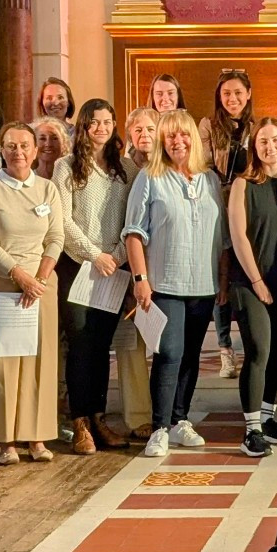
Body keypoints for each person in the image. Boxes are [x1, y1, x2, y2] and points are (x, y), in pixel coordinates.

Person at [124, 109, 226, 457]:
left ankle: (181, 420)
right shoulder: (150, 177)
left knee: (192, 355)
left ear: (193, 139)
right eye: (171, 136)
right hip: (164, 282)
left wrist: (223, 281)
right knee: (169, 353)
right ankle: (159, 427)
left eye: (184, 135)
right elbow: (134, 233)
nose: (178, 141)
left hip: (203, 282)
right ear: (162, 142)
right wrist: (141, 279)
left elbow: (222, 238)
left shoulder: (210, 180)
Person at [0, 122, 70, 465]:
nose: (19, 152)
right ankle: (5, 440)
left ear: (34, 149)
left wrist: (40, 277)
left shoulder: (47, 189)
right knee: (3, 363)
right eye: (11, 146)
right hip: (1, 283)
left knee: (40, 361)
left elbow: (56, 236)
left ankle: (38, 437)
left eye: (25, 145)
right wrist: (18, 275)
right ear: (1, 150)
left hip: (42, 285)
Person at [52, 99, 136, 454]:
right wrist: (93, 254)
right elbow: (62, 218)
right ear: (83, 126)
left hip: (113, 267)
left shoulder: (127, 168)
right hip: (77, 264)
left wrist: (115, 256)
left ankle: (99, 417)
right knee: (80, 343)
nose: (101, 128)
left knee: (102, 346)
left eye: (107, 121)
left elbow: (133, 217)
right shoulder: (65, 166)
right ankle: (80, 421)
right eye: (94, 122)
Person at [224, 118, 277, 456]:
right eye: (263, 141)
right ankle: (251, 429)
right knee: (260, 350)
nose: (271, 147)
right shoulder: (244, 184)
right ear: (255, 147)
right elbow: (238, 237)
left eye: (276, 140)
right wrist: (257, 281)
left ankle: (269, 417)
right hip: (250, 282)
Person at [201, 70, 256, 379]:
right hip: (219, 205)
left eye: (238, 93)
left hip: (247, 207)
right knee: (221, 280)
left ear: (248, 94)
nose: (232, 99)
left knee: (244, 276)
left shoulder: (256, 126)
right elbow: (206, 165)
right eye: (226, 94)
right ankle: (224, 349)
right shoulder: (209, 125)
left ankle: (250, 346)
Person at [115, 108, 160, 437]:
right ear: (129, 134)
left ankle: (164, 408)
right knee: (131, 346)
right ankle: (138, 416)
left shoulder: (167, 166)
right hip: (127, 267)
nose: (144, 134)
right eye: (138, 129)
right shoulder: (123, 170)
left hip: (163, 266)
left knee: (163, 342)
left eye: (150, 128)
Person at [30, 117, 67, 181]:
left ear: (64, 144)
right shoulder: (27, 180)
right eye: (42, 139)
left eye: (54, 138)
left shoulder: (70, 178)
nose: (48, 144)